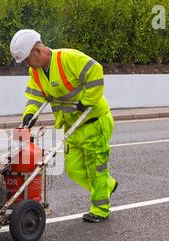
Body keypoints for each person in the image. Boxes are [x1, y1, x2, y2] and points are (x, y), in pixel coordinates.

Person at [9, 29, 118, 223]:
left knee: (96, 168)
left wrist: (86, 100)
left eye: (26, 59)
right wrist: (28, 116)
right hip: (72, 126)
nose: (26, 64)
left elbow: (96, 71)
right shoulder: (36, 72)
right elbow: (35, 96)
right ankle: (107, 184)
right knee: (74, 169)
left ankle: (100, 209)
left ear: (37, 51)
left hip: (94, 122)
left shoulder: (68, 58)